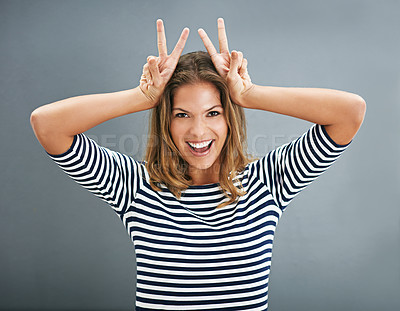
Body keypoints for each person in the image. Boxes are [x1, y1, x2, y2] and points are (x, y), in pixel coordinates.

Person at [30, 18, 365, 311]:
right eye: (182, 115)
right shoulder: (133, 186)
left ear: (229, 118)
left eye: (213, 113)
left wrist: (249, 94)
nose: (198, 131)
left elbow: (349, 113)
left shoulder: (268, 182)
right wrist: (142, 97)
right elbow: (47, 125)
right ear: (167, 121)